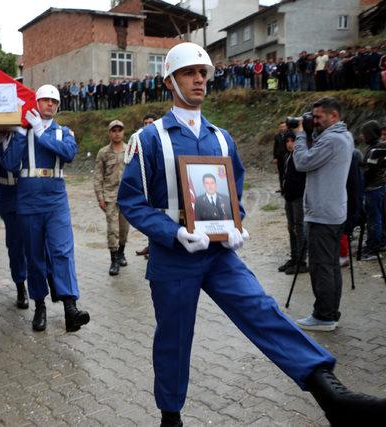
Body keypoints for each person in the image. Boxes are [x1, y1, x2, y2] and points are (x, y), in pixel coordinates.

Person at [117, 42, 386, 427]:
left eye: (202, 73)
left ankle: (330, 393)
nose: (198, 80)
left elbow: (233, 192)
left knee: (263, 309)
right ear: (169, 81)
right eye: (188, 73)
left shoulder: (221, 137)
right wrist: (173, 232)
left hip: (217, 252)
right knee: (174, 338)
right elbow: (131, 201)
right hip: (174, 252)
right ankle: (170, 417)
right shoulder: (149, 139)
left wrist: (235, 224)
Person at [3, 84, 89, 333]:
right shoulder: (22, 132)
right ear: (36, 104)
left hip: (55, 198)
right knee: (35, 256)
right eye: (45, 101)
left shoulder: (63, 132)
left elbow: (69, 154)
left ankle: (70, 306)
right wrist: (20, 134)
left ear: (58, 106)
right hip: (28, 199)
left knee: (62, 251)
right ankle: (39, 304)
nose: (49, 104)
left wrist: (41, 132)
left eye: (54, 101)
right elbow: (9, 164)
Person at [292, 97, 353, 333]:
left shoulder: (331, 140)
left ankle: (324, 316)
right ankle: (330, 312)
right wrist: (309, 133)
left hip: (322, 214)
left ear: (334, 116)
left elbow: (302, 161)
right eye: (313, 117)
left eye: (318, 117)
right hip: (334, 211)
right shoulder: (343, 136)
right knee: (331, 266)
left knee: (320, 267)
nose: (314, 121)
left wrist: (299, 135)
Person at [0, 134, 29, 309]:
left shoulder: (26, 133)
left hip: (28, 193)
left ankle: (47, 281)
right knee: (15, 245)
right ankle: (20, 285)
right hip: (8, 197)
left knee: (36, 241)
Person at [94, 120, 130, 276]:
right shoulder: (103, 152)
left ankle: (121, 252)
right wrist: (100, 197)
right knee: (112, 229)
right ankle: (113, 260)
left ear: (123, 132)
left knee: (124, 229)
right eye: (113, 130)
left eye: (119, 130)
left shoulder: (130, 150)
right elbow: (98, 176)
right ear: (109, 133)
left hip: (126, 196)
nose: (117, 133)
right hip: (110, 196)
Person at [280, 132, 308, 275]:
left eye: (293, 141)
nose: (290, 144)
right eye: (288, 141)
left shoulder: (300, 157)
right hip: (289, 197)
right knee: (291, 228)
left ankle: (302, 261)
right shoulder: (287, 157)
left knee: (299, 228)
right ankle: (294, 258)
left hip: (299, 197)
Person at [359, 120, 386, 260]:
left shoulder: (377, 148)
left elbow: (370, 171)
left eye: (364, 133)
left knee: (374, 219)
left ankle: (373, 250)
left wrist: (360, 184)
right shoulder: (377, 146)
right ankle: (379, 243)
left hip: (374, 188)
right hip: (380, 187)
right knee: (380, 218)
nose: (362, 136)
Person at [134, 113, 157, 260]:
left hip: (157, 184)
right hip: (144, 183)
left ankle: (154, 248)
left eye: (151, 123)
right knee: (147, 216)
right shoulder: (138, 138)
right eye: (146, 123)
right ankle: (151, 246)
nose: (148, 125)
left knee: (157, 216)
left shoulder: (162, 138)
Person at [273, 122, 288, 192]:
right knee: (281, 173)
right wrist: (275, 157)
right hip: (279, 157)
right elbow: (275, 147)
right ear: (279, 128)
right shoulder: (277, 136)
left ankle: (287, 187)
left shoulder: (288, 135)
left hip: (287, 156)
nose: (282, 128)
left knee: (287, 172)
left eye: (284, 126)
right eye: (281, 127)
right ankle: (282, 188)